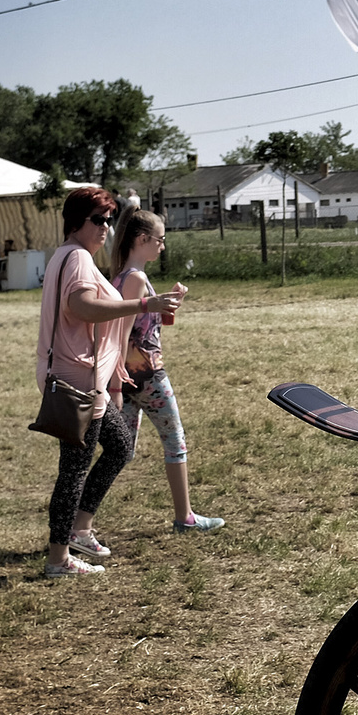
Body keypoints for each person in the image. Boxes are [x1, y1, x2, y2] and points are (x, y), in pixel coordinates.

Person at [36, 186, 185, 577]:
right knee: (74, 469)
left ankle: (78, 530)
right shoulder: (79, 258)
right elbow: (81, 307)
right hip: (77, 382)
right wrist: (144, 304)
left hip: (84, 377)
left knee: (119, 447)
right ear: (76, 222)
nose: (106, 227)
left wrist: (112, 362)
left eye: (109, 220)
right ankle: (59, 557)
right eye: (98, 219)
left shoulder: (65, 256)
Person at [109, 208, 225, 534]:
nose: (162, 246)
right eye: (160, 240)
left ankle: (80, 521)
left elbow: (144, 328)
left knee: (121, 452)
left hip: (131, 379)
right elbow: (121, 332)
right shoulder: (133, 279)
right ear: (142, 239)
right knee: (175, 443)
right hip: (147, 378)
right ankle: (185, 518)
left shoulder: (123, 276)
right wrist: (116, 383)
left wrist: (170, 303)